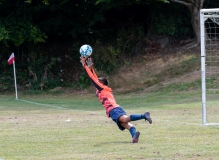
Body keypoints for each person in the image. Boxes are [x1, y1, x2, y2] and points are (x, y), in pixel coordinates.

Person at [80, 56, 152, 143]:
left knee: (125, 120)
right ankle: (134, 135)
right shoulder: (102, 88)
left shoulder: (102, 88)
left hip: (113, 109)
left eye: (99, 80)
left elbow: (92, 78)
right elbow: (94, 77)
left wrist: (85, 65)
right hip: (114, 109)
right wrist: (91, 69)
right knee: (124, 124)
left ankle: (144, 115)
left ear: (102, 83)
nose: (97, 81)